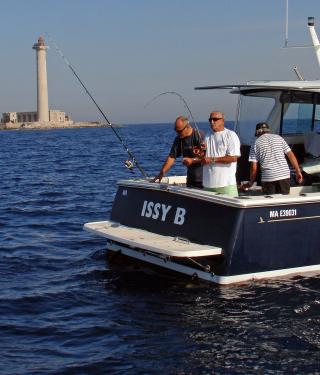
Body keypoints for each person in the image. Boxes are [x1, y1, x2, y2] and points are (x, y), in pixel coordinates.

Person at [247, 122, 303, 194]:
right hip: (284, 175)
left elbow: (254, 168)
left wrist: (251, 182)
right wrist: (298, 171)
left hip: (269, 177)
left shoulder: (255, 143)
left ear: (257, 132)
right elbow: (291, 156)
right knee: (284, 201)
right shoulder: (279, 138)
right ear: (268, 130)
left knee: (270, 202)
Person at [153, 116, 204, 188]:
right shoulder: (179, 139)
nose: (177, 133)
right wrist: (162, 172)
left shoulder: (199, 136)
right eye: (176, 131)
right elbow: (171, 157)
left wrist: (192, 160)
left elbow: (206, 157)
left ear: (187, 127)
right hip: (190, 180)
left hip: (204, 179)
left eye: (179, 131)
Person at [201, 111, 241, 196]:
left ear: (222, 121)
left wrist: (212, 159)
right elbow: (204, 157)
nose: (212, 122)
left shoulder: (230, 135)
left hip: (225, 185)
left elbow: (233, 158)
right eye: (210, 119)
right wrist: (199, 152)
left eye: (215, 119)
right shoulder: (207, 135)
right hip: (207, 185)